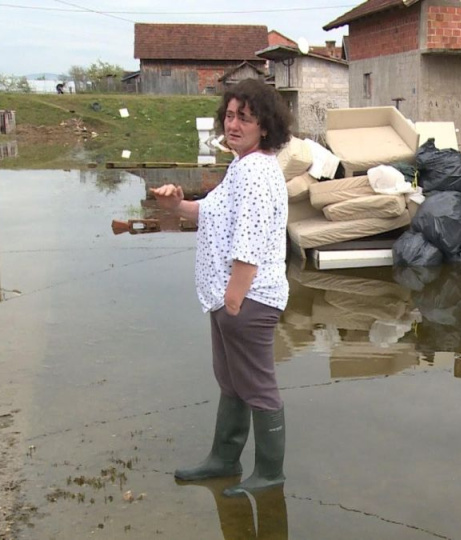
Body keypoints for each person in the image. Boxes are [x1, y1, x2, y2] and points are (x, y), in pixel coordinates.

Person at [151, 78, 291, 498]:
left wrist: (234, 298)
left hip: (247, 298)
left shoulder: (255, 170)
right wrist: (175, 203)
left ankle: (269, 473)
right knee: (232, 381)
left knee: (257, 384)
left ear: (264, 126)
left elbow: (249, 237)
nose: (233, 124)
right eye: (229, 116)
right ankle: (224, 460)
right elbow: (208, 212)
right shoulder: (240, 167)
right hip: (229, 297)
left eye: (244, 118)